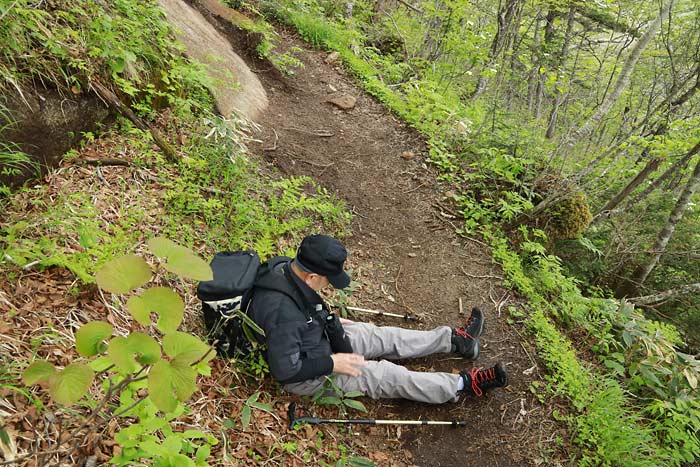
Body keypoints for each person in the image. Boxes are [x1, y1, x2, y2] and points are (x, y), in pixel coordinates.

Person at [247, 234, 508, 404]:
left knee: (379, 335)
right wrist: (332, 362)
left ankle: (454, 341)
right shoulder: (285, 316)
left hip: (314, 338)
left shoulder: (285, 268)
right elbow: (286, 371)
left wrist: (324, 322)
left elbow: (301, 307)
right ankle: (461, 384)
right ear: (312, 277)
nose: (329, 286)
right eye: (328, 280)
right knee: (383, 375)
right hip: (309, 371)